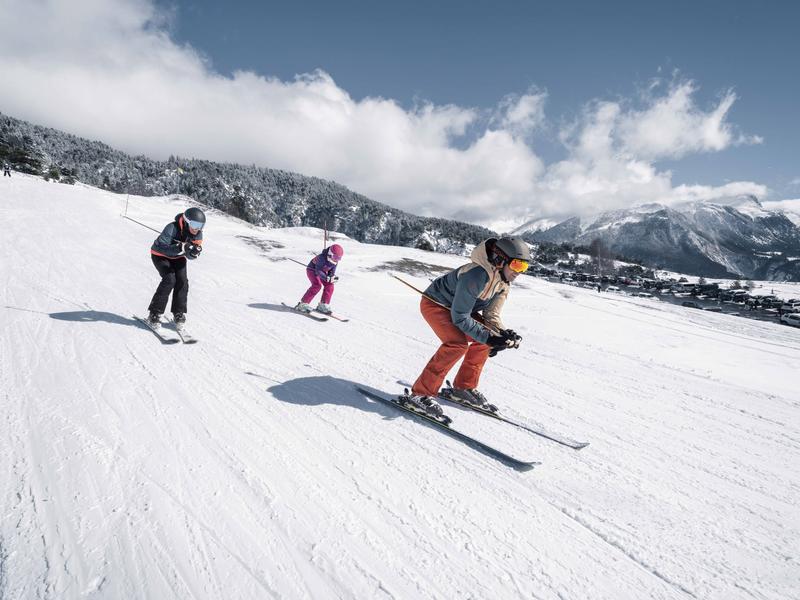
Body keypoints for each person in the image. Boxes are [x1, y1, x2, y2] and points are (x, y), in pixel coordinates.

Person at [406, 237, 529, 417]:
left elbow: (491, 315)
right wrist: (489, 337)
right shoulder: (476, 275)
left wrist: (502, 334)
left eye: (524, 267)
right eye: (517, 265)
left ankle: (463, 387)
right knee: (456, 344)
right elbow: (460, 317)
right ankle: (420, 394)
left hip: (462, 310)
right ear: (500, 260)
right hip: (436, 304)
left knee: (486, 339)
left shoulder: (503, 283)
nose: (520, 272)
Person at [146, 207, 205, 329]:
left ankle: (178, 313)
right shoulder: (171, 228)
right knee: (169, 279)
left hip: (178, 258)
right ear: (186, 221)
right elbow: (160, 248)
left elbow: (190, 256)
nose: (196, 229)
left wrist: (193, 253)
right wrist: (180, 247)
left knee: (182, 281)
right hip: (160, 256)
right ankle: (154, 313)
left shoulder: (198, 234)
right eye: (194, 225)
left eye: (200, 226)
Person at [295, 244, 343, 314]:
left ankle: (323, 304)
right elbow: (318, 271)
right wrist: (327, 278)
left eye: (339, 258)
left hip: (323, 272)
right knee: (317, 285)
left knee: (330, 285)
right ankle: (303, 304)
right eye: (335, 257)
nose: (336, 260)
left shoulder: (335, 261)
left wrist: (331, 277)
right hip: (312, 271)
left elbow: (332, 271)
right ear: (330, 254)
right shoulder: (322, 258)